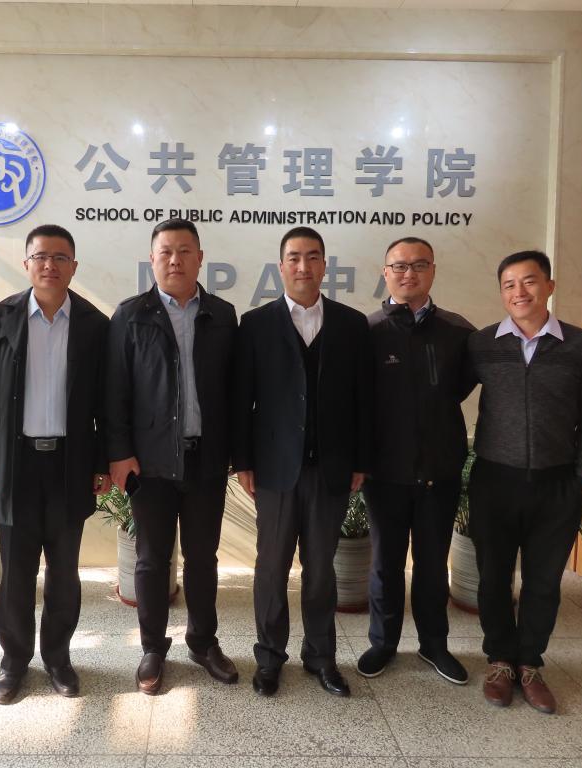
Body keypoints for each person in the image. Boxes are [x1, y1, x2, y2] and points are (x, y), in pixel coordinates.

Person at [0, 224, 109, 703]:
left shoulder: (94, 323)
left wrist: (101, 462)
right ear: (26, 263)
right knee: (16, 571)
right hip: (16, 463)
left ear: (74, 266)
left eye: (60, 257)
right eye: (40, 257)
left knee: (64, 571)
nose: (49, 265)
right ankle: (14, 661)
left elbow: (105, 400)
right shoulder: (1, 317)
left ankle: (58, 657)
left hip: (70, 464)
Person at [232, 226, 370, 698]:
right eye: (294, 257)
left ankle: (321, 656)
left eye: (312, 257)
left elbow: (363, 401)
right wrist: (243, 460)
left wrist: (360, 460)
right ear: (281, 266)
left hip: (331, 468)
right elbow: (242, 400)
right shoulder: (255, 324)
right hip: (274, 470)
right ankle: (270, 657)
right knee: (271, 567)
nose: (303, 266)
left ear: (324, 265)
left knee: (321, 568)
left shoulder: (352, 324)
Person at [467, 250, 582, 714]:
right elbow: (441, 395)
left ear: (549, 286)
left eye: (529, 281)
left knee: (543, 582)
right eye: (509, 284)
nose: (519, 292)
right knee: (493, 579)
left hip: (557, 483)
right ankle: (500, 662)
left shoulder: (581, 346)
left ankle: (529, 664)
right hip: (494, 480)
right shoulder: (483, 344)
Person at [106, 218, 238, 695]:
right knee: (151, 560)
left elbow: (236, 390)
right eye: (166, 251)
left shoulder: (222, 315)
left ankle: (203, 642)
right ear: (152, 259)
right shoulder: (130, 315)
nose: (175, 260)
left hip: (206, 460)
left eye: (185, 251)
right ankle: (152, 648)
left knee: (203, 558)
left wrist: (237, 453)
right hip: (150, 463)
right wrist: (119, 453)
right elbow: (114, 391)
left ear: (200, 258)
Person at [357, 237, 476, 685]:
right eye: (400, 266)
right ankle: (382, 642)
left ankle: (434, 645)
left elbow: (459, 390)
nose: (409, 273)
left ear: (433, 271)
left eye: (419, 265)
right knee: (385, 564)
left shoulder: (458, 331)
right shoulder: (367, 331)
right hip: (384, 473)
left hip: (439, 471)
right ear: (385, 272)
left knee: (432, 564)